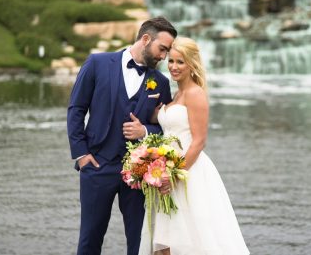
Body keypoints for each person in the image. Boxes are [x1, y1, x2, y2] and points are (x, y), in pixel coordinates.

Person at [67, 16, 177, 255]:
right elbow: (76, 109)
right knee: (90, 239)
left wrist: (146, 131)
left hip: (140, 173)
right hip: (97, 166)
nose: (164, 57)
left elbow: (168, 128)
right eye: (162, 49)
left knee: (139, 242)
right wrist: (82, 154)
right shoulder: (97, 63)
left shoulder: (160, 82)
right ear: (146, 39)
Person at [138, 37, 250, 255]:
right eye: (171, 61)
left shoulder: (196, 93)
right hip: (166, 171)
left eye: (181, 62)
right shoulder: (175, 95)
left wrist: (173, 175)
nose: (174, 67)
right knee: (165, 241)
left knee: (189, 241)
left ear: (192, 64)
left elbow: (199, 141)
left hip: (187, 173)